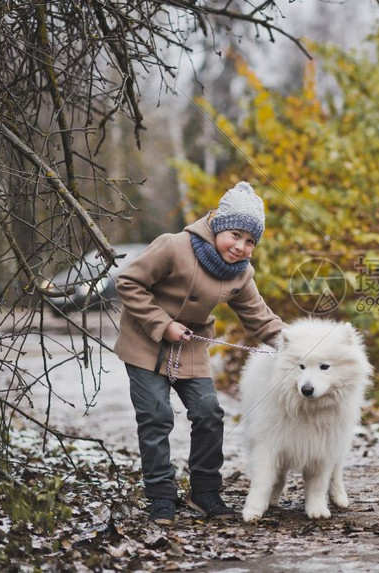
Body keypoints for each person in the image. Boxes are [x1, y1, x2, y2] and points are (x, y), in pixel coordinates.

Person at [114, 181, 286, 525]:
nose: (240, 247)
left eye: (250, 241)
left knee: (209, 413)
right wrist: (162, 324)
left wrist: (297, 345)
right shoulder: (173, 246)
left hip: (190, 347)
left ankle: (204, 490)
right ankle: (161, 495)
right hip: (145, 342)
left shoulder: (241, 273)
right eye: (235, 235)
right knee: (156, 416)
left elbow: (259, 316)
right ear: (219, 226)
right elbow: (127, 282)